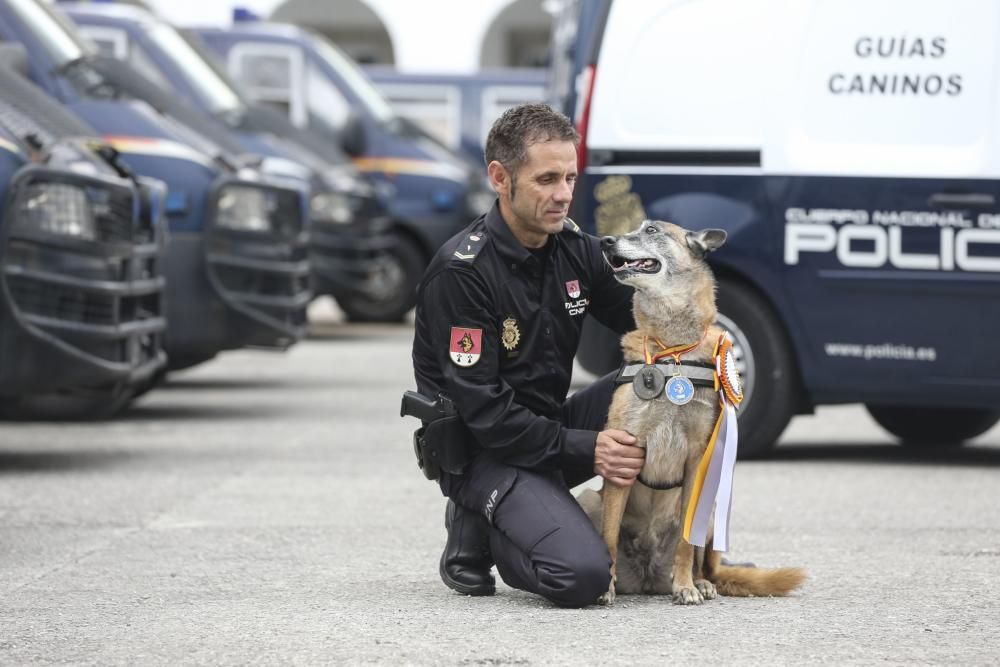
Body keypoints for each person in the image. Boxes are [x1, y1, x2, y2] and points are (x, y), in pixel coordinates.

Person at [411, 103, 645, 607]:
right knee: (580, 577)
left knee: (662, 383)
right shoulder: (463, 273)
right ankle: (486, 526)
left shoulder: (573, 248)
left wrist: (701, 340)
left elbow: (638, 318)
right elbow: (488, 417)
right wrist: (590, 448)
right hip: (483, 453)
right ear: (500, 177)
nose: (563, 195)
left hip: (545, 431)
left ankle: (675, 544)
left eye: (570, 178)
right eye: (546, 179)